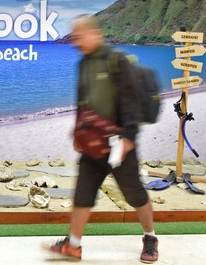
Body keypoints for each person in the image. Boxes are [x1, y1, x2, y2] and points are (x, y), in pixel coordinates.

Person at [45, 15, 158, 262]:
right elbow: (82, 102)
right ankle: (73, 245)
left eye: (79, 37)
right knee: (83, 194)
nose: (75, 42)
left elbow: (131, 101)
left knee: (135, 195)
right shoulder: (84, 64)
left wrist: (129, 137)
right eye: (73, 37)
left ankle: (150, 237)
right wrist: (77, 131)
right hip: (92, 144)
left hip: (120, 145)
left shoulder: (116, 61)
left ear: (94, 34)